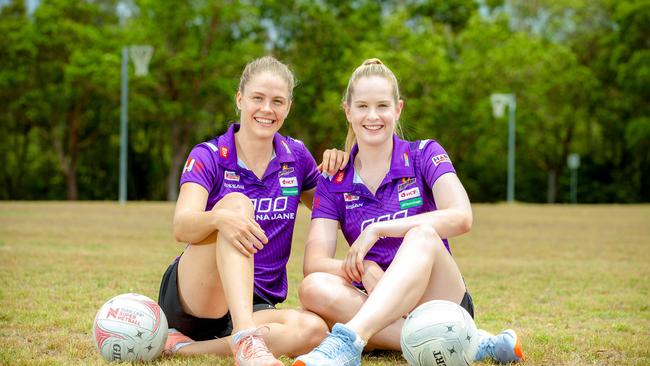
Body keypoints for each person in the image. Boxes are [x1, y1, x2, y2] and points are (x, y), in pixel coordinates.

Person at [292, 59, 525, 366]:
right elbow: (314, 263)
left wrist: (380, 228)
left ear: (398, 109)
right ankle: (472, 342)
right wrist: (367, 268)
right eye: (362, 106)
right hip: (379, 302)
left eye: (382, 106)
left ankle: (349, 342)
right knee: (312, 288)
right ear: (347, 111)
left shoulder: (424, 153)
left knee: (423, 236)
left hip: (439, 299)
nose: (372, 116)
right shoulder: (333, 179)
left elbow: (461, 216)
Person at [158, 56, 348, 366]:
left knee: (314, 330)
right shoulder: (209, 155)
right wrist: (220, 218)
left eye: (277, 101)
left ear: (287, 107)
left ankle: (184, 349)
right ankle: (246, 339)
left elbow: (335, 211)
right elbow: (182, 226)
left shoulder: (296, 157)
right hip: (199, 298)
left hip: (258, 303)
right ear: (240, 99)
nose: (266, 109)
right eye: (257, 98)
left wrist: (342, 169)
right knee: (236, 204)